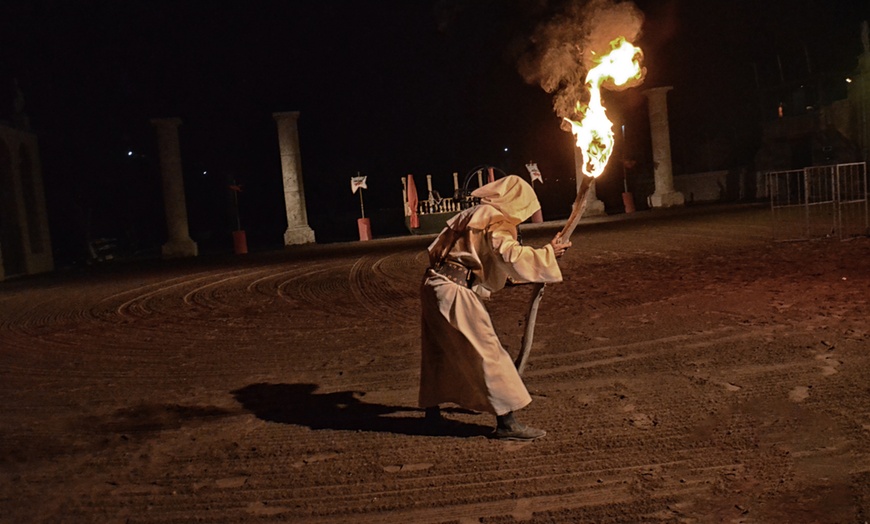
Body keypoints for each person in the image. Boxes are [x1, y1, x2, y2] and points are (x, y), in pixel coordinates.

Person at [419, 175, 571, 441]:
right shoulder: (495, 219)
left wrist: (527, 271)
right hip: (454, 289)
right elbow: (508, 254)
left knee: (439, 350)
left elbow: (483, 258)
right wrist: (548, 253)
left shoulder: (473, 213)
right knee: (488, 350)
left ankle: (432, 414)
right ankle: (506, 422)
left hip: (433, 284)